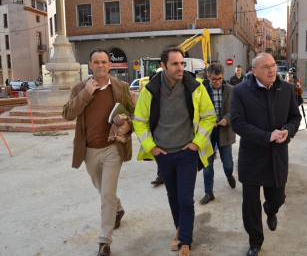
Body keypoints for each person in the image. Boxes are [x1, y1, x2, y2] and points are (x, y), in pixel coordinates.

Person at [133, 46, 216, 256]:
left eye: (182, 63)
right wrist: (152, 148)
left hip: (187, 152)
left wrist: (197, 143)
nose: (180, 68)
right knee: (173, 196)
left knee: (186, 198)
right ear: (163, 66)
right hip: (163, 154)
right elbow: (140, 122)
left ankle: (185, 241)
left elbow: (209, 116)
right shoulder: (149, 90)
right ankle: (179, 229)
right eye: (175, 64)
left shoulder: (195, 87)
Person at [62, 47, 135, 256]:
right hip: (89, 151)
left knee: (106, 194)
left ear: (110, 65)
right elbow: (67, 113)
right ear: (90, 65)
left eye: (104, 62)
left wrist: (127, 124)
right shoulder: (79, 89)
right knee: (102, 190)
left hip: (113, 148)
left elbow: (132, 113)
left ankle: (104, 241)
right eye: (96, 62)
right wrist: (86, 93)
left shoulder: (121, 87)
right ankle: (118, 209)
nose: (101, 65)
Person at [231, 53, 302, 256]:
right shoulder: (240, 91)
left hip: (277, 155)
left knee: (277, 198)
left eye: (273, 65)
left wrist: (288, 130)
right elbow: (238, 123)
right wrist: (266, 136)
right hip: (252, 156)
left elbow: (295, 117)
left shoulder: (286, 89)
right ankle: (255, 242)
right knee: (251, 205)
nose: (272, 70)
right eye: (265, 67)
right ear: (254, 72)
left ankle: (271, 210)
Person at [199, 63, 236, 205]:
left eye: (220, 79)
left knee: (227, 162)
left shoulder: (230, 90)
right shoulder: (201, 90)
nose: (217, 82)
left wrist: (227, 119)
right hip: (207, 133)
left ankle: (229, 175)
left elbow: (236, 109)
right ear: (208, 77)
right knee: (207, 165)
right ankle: (209, 192)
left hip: (224, 130)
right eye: (214, 79)